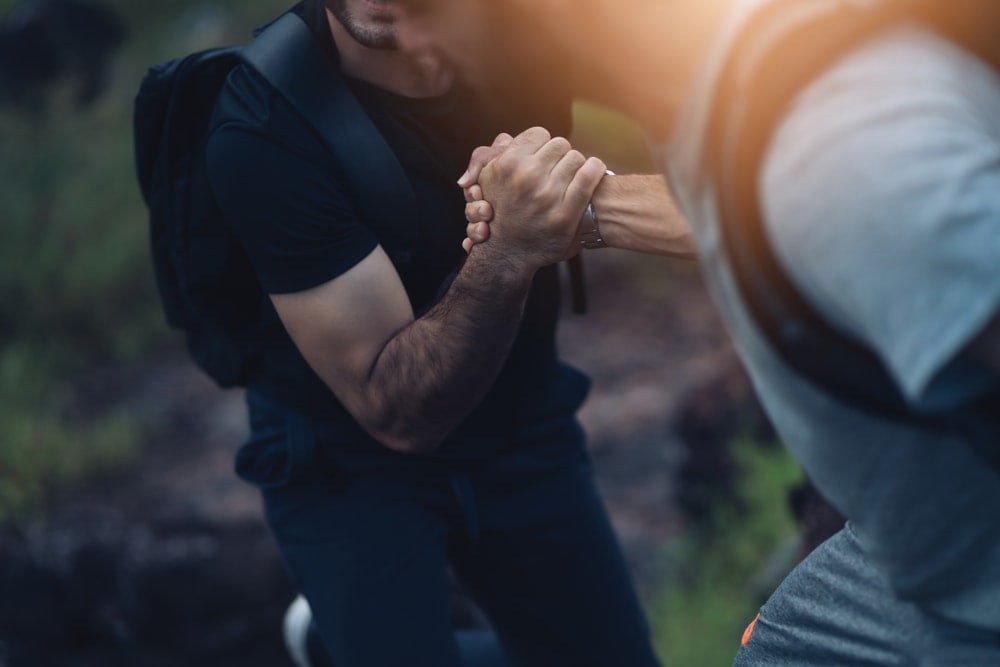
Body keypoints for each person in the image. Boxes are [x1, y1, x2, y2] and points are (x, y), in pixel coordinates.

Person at [391, 0, 1000, 663]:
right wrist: (574, 207)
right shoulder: (731, 89)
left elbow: (851, 202)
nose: (406, 37)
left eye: (426, 6)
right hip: (912, 560)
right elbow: (773, 220)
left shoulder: (841, 158)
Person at [203, 1, 663, 666]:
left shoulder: (536, 27)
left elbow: (735, 113)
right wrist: (508, 249)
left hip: (518, 412)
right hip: (347, 456)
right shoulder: (264, 124)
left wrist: (596, 205)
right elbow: (398, 411)